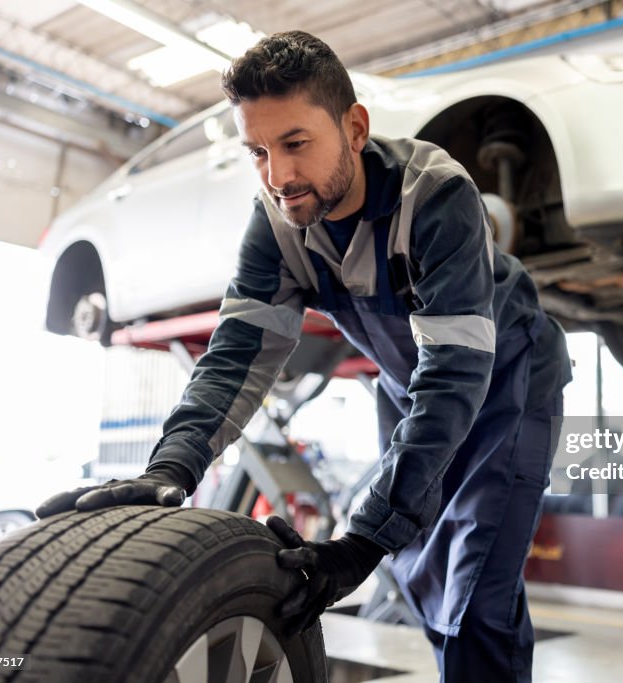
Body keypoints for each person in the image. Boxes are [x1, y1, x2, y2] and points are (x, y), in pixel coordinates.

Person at [37, 30, 571, 683]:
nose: (279, 175)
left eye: (295, 143)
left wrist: (362, 539)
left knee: (475, 594)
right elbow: (237, 354)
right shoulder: (278, 224)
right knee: (424, 579)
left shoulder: (432, 196)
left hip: (507, 381)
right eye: (258, 150)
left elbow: (457, 373)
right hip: (412, 387)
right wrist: (173, 463)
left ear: (354, 127)